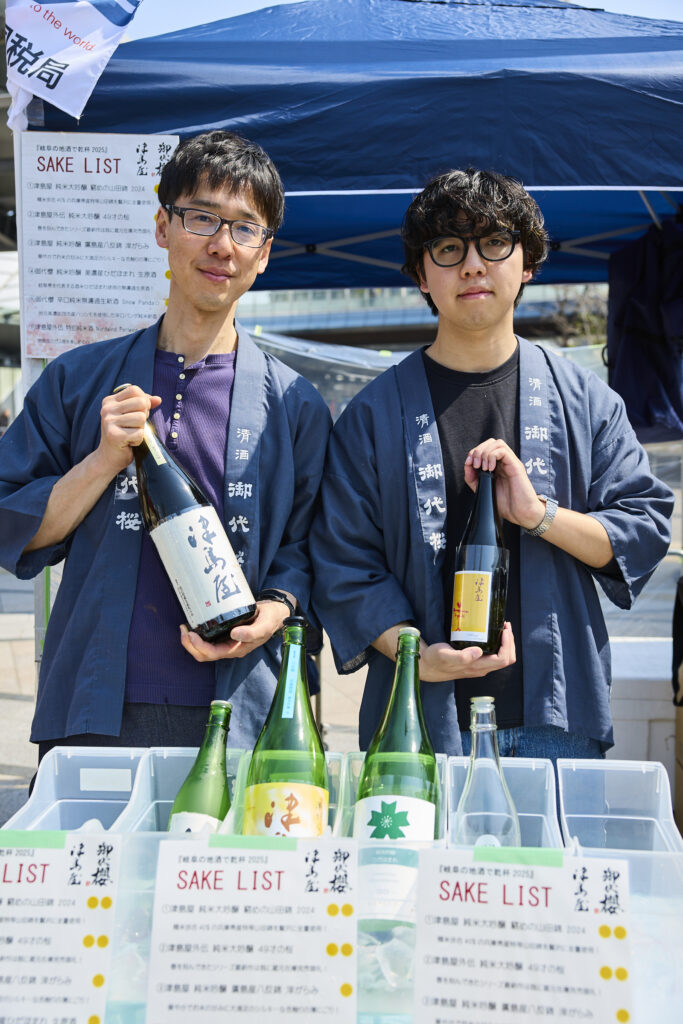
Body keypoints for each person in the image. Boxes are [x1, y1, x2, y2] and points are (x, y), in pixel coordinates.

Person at [310, 168, 673, 759]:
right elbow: (341, 562)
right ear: (421, 276)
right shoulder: (373, 415)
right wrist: (417, 655)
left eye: (494, 243)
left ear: (526, 262)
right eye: (449, 249)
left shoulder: (583, 401)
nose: (473, 266)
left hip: (556, 719)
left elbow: (644, 525)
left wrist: (539, 514)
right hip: (418, 721)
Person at [0, 130, 332, 761]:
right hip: (95, 711)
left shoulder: (295, 405)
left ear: (264, 253)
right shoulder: (78, 380)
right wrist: (101, 461)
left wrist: (273, 611)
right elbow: (14, 526)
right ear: (163, 225)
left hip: (241, 715)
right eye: (202, 217)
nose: (220, 245)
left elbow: (311, 548)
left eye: (244, 228)